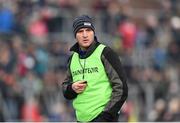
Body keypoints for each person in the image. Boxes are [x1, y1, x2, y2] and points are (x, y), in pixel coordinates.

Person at [61, 15, 128, 122]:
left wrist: (107, 116)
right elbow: (65, 90)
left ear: (94, 32)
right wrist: (72, 88)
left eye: (88, 30)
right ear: (75, 35)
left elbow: (121, 88)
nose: (85, 35)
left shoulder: (106, 53)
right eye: (80, 31)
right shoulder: (72, 58)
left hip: (104, 119)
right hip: (81, 119)